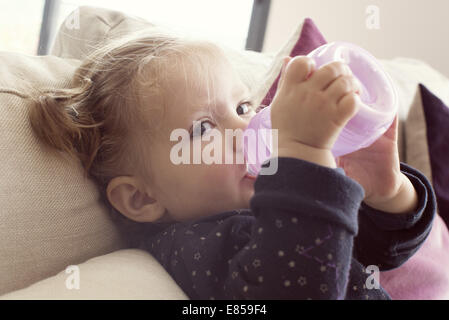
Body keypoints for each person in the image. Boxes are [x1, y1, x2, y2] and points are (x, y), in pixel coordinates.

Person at [28, 30, 436, 300]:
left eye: (243, 106)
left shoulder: (285, 207)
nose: (247, 126)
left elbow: (373, 253)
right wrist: (302, 150)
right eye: (204, 126)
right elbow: (301, 286)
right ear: (141, 197)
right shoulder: (194, 247)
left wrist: (389, 193)